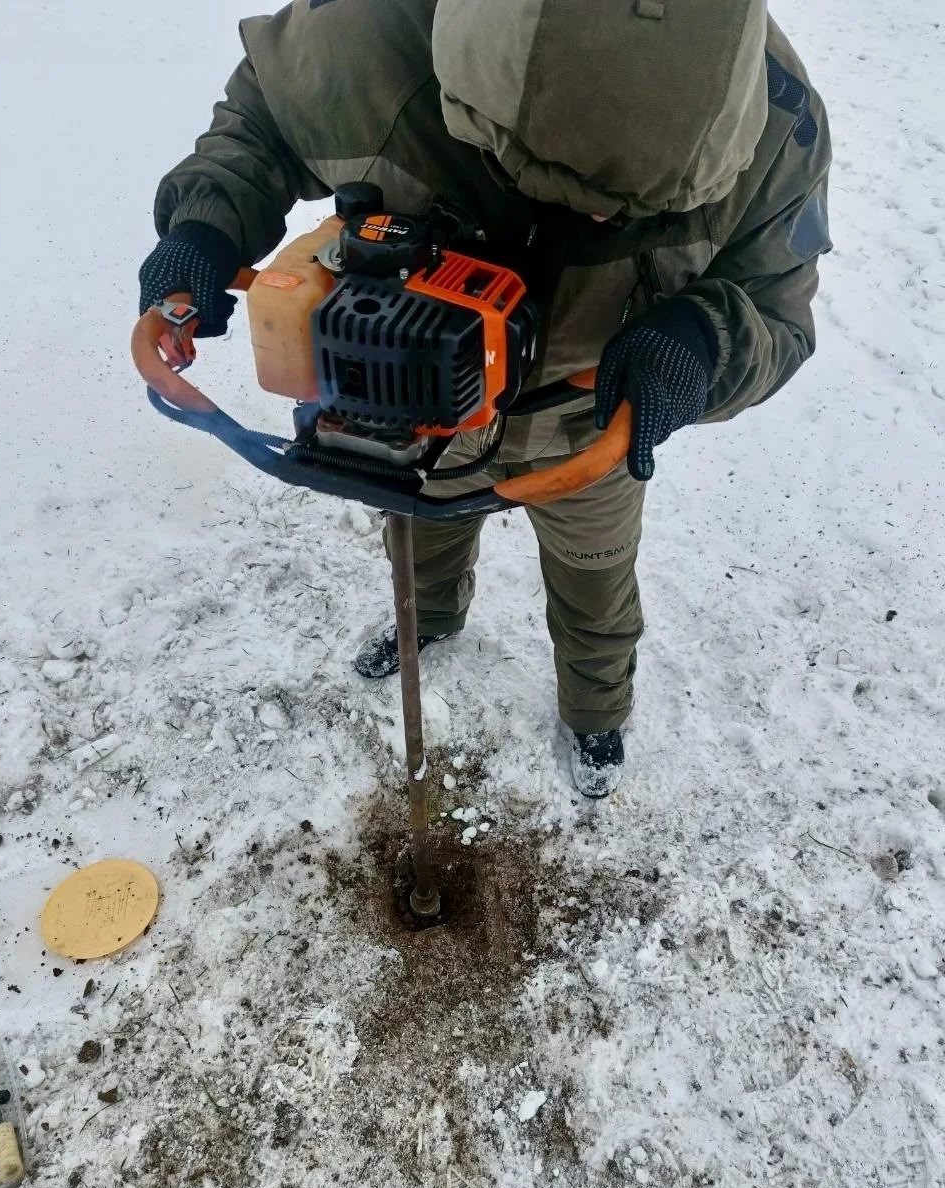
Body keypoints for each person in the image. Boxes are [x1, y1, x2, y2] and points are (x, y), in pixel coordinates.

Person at [139, 0, 831, 798]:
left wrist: (702, 344)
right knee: (420, 531)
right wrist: (206, 226)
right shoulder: (374, 29)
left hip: (587, 427)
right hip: (417, 399)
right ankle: (428, 618)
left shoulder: (779, 124)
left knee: (595, 576)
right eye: (547, 173)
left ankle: (596, 707)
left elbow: (778, 308)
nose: (598, 214)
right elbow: (266, 113)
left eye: (631, 202)